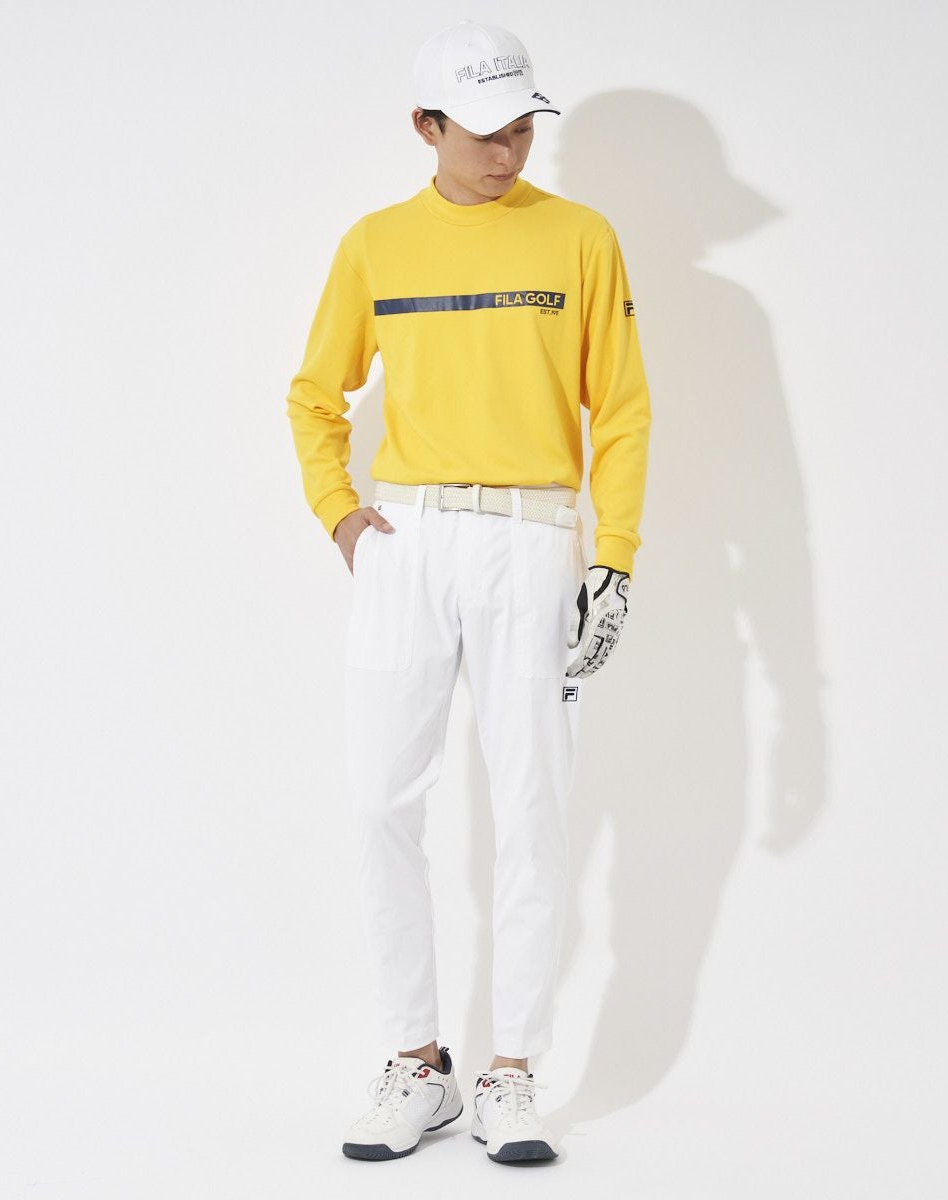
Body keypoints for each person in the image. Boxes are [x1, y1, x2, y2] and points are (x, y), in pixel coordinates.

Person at [285, 19, 651, 1164]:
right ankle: (417, 1064)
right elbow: (313, 394)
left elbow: (621, 408)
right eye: (483, 132)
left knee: (531, 806)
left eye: (522, 129)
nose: (507, 152)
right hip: (407, 540)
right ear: (426, 126)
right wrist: (342, 515)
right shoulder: (375, 245)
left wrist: (613, 555)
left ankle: (511, 1075)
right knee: (378, 801)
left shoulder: (580, 238)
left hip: (532, 540)